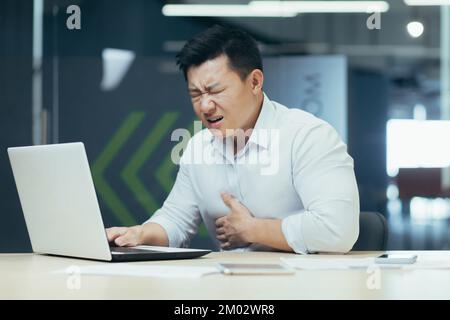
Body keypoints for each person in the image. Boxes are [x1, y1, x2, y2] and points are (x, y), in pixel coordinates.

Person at [106, 24, 359, 254]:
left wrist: (253, 229)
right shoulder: (198, 147)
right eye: (195, 94)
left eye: (215, 90)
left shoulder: (307, 136)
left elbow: (338, 229)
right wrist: (140, 233)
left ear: (255, 82)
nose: (205, 105)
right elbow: (176, 220)